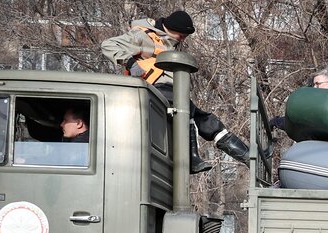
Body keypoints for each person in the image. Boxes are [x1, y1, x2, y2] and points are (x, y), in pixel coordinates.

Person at [101, 10, 253, 173]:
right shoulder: (143, 36)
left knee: (204, 118)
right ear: (172, 27)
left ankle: (246, 155)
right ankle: (192, 158)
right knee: (186, 109)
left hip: (170, 92)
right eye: (181, 34)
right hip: (152, 90)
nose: (183, 38)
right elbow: (108, 45)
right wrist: (131, 63)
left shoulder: (170, 43)